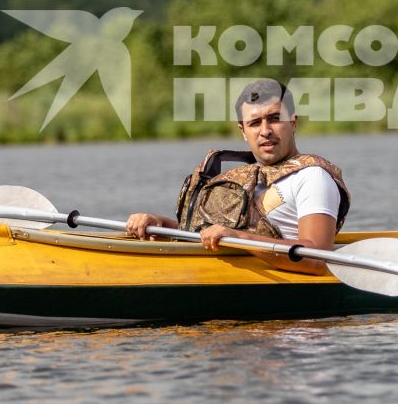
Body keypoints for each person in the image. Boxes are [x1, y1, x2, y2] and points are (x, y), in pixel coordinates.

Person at [124, 78, 350, 274]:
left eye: (274, 118)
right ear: (243, 131)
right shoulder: (250, 178)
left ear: (293, 123)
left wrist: (239, 238)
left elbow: (318, 258)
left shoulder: (312, 178)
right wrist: (160, 225)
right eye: (254, 123)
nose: (265, 131)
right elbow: (209, 236)